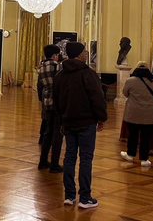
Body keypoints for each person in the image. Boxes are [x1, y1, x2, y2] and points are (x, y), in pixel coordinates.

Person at [53, 41, 107, 209]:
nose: (86, 54)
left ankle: (69, 195)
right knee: (85, 158)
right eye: (84, 51)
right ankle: (85, 197)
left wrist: (61, 119)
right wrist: (101, 118)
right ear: (78, 54)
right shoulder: (87, 73)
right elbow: (97, 97)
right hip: (86, 122)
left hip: (68, 122)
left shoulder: (60, 76)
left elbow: (56, 101)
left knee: (69, 157)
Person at [120, 61, 153, 167]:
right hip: (149, 113)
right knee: (146, 137)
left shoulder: (130, 81)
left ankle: (130, 154)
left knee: (132, 135)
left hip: (133, 113)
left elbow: (125, 93)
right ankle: (144, 159)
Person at [37, 44, 63, 173]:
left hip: (47, 102)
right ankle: (54, 163)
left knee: (48, 132)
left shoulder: (41, 69)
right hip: (57, 103)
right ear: (55, 55)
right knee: (57, 134)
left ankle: (43, 160)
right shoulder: (57, 67)